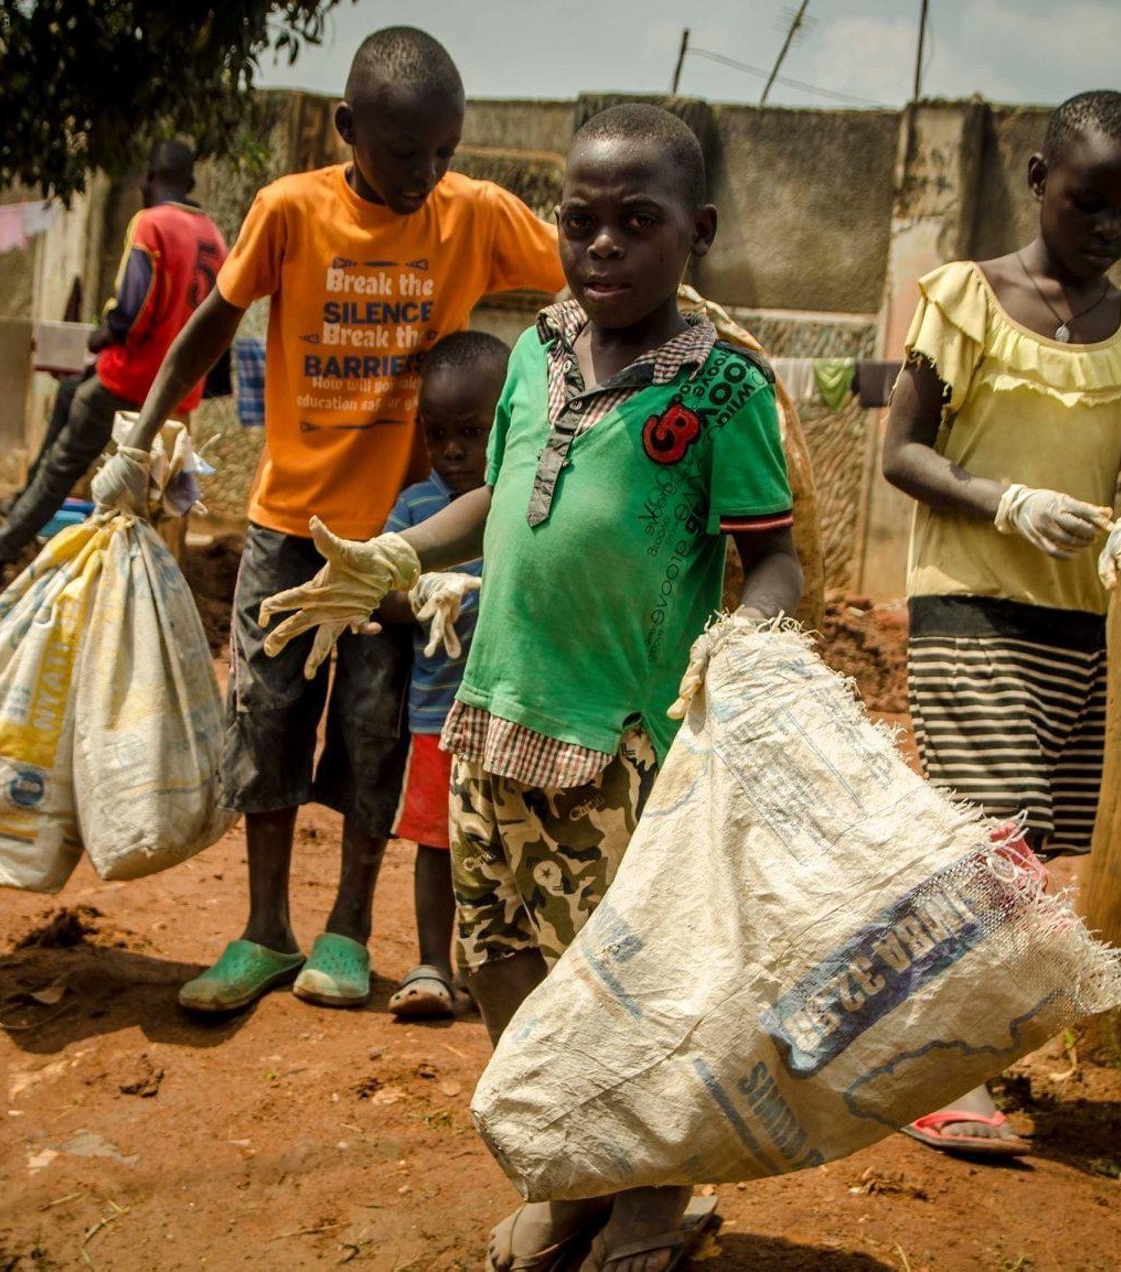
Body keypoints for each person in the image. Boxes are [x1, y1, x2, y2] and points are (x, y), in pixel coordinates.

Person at [251, 103, 802, 1272]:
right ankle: (570, 1175)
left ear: (695, 232)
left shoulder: (721, 390)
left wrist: (740, 644)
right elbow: (493, 505)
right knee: (505, 958)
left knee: (633, 977)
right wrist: (399, 556)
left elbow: (780, 561)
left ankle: (656, 1192)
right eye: (582, 221)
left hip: (623, 743)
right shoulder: (539, 354)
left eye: (636, 223)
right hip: (487, 716)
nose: (602, 246)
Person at [93, 27, 566, 1014]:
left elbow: (598, 282)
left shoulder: (472, 215)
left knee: (375, 731)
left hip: (397, 546)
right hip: (288, 530)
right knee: (264, 723)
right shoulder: (288, 211)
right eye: (405, 153)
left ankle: (348, 931)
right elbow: (206, 329)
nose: (427, 172)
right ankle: (265, 930)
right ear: (350, 129)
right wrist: (137, 440)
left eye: (446, 150)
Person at [880, 90, 1121, 1157]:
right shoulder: (966, 298)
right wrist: (1003, 499)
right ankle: (936, 1071)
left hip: (1074, 620)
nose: (1107, 228)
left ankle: (960, 1049)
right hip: (970, 602)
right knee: (994, 831)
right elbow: (902, 452)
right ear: (1035, 181)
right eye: (1086, 202)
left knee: (1036, 846)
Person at [0, 138, 226, 587]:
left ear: (149, 179)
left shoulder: (151, 224)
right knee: (74, 397)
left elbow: (131, 310)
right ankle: (19, 503)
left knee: (61, 470)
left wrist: (99, 337)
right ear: (189, 181)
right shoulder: (214, 235)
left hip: (129, 380)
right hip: (177, 393)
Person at [379, 331, 506, 1020]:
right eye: (437, 435)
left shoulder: (520, 505)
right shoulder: (414, 511)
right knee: (434, 841)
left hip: (511, 716)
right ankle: (430, 961)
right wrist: (419, 594)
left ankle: (488, 967)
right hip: (436, 715)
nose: (452, 450)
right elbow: (379, 593)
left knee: (499, 845)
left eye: (470, 432)